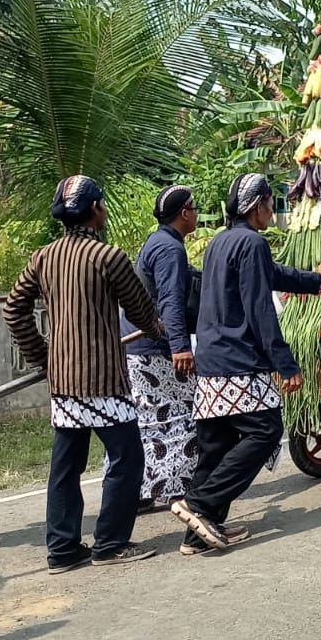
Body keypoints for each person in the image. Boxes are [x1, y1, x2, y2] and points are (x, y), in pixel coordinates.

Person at [5, 176, 164, 574]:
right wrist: (160, 329)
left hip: (64, 384)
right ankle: (109, 543)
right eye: (103, 205)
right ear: (94, 210)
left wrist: (44, 356)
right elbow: (141, 310)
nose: (105, 211)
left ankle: (62, 550)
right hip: (104, 381)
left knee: (65, 468)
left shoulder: (43, 258)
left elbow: (13, 310)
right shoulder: (108, 257)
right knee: (127, 459)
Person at [172, 174, 321, 552]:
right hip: (238, 360)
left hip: (211, 358)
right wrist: (286, 364)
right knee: (264, 431)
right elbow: (261, 309)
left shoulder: (221, 242)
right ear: (256, 205)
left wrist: (314, 279)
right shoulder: (252, 242)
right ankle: (199, 505)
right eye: (269, 203)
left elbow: (270, 276)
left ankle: (196, 536)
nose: (270, 210)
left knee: (217, 446)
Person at [118, 185, 201, 511]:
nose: (196, 213)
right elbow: (170, 303)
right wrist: (181, 348)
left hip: (143, 346)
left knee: (154, 419)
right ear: (184, 213)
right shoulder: (169, 249)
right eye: (193, 208)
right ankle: (170, 488)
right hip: (152, 348)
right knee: (175, 416)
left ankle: (144, 489)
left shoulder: (159, 241)